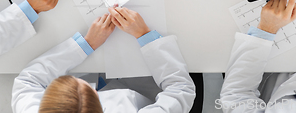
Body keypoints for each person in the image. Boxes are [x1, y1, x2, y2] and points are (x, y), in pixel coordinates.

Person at [12, 7, 196, 112]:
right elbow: (181, 90)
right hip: (148, 88)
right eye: (81, 84)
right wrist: (144, 34)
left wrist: (86, 44)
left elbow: (27, 81)